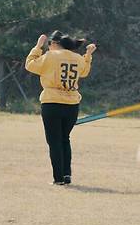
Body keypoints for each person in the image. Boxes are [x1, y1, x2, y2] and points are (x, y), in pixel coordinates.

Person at [25, 30, 96, 185]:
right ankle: (66, 175)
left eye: (49, 45)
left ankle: (58, 179)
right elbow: (84, 72)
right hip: (72, 105)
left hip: (52, 102)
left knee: (54, 142)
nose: (49, 47)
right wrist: (88, 55)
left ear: (55, 44)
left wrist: (37, 47)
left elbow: (30, 65)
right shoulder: (77, 58)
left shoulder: (50, 56)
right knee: (65, 139)